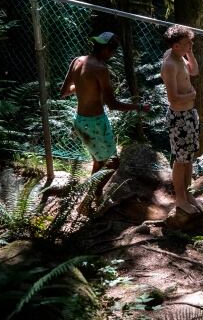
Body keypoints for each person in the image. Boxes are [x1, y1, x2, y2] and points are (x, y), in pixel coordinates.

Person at [59, 32, 150, 210]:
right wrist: (138, 107)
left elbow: (64, 91)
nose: (111, 56)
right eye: (112, 52)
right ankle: (87, 201)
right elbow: (113, 104)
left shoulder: (77, 60)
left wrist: (84, 86)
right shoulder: (101, 68)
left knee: (98, 162)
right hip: (96, 123)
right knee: (113, 162)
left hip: (80, 121)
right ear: (107, 50)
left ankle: (96, 197)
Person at [160, 25, 202, 215]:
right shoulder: (169, 64)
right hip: (179, 118)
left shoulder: (179, 55)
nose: (190, 45)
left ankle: (188, 193)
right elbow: (173, 97)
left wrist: (190, 53)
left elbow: (194, 72)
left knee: (189, 158)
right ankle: (180, 200)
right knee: (180, 160)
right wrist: (191, 95)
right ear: (176, 46)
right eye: (187, 43)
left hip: (190, 115)